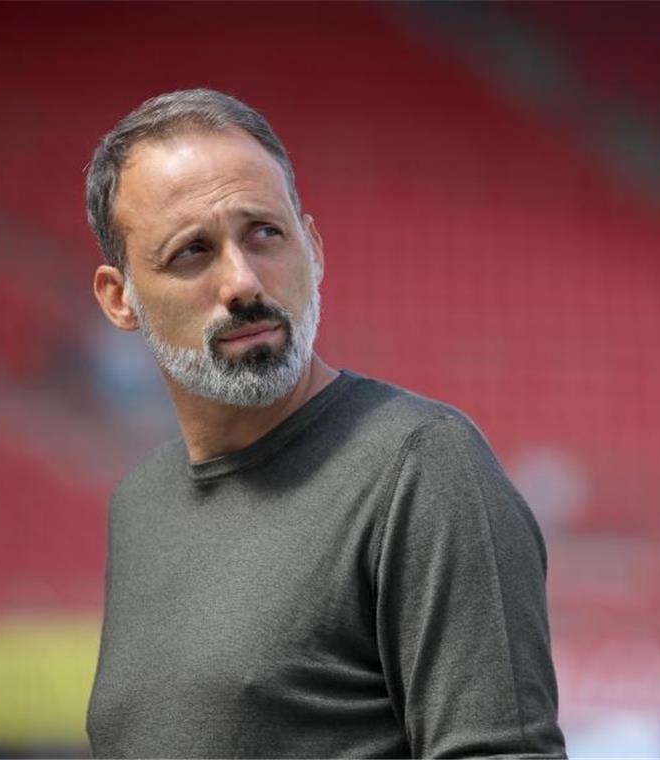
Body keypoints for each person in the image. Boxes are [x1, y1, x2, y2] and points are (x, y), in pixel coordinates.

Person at [84, 88, 565, 759]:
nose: (243, 281)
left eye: (264, 234)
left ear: (311, 246)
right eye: (193, 251)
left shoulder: (422, 467)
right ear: (119, 298)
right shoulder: (138, 504)